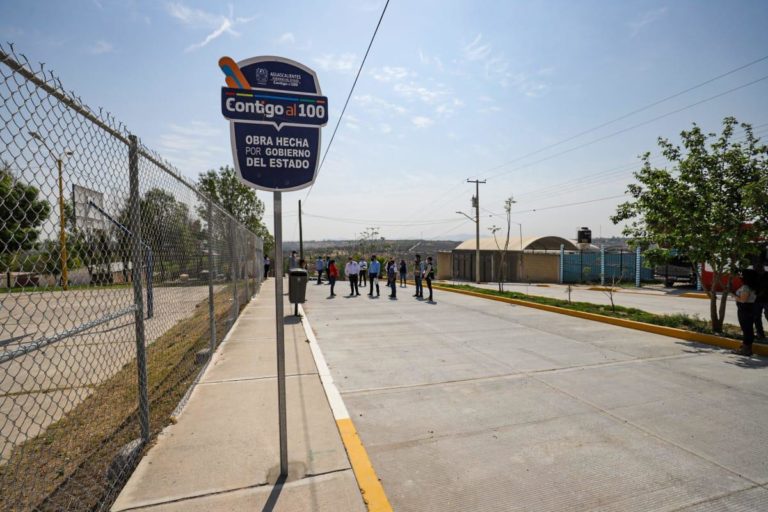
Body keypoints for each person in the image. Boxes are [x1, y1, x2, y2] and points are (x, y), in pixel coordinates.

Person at [733, 269, 758, 356]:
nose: (740, 276)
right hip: (750, 308)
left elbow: (743, 300)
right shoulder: (753, 286)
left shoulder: (746, 287)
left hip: (744, 309)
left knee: (746, 329)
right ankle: (747, 348)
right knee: (748, 329)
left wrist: (733, 295)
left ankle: (745, 350)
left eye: (742, 275)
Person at [754, 271, 768, 341]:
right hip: (757, 300)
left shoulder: (766, 274)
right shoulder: (754, 275)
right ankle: (760, 334)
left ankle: (760, 334)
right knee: (756, 317)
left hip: (766, 300)